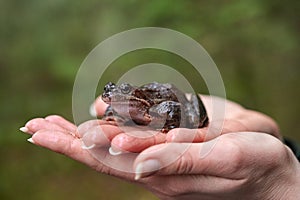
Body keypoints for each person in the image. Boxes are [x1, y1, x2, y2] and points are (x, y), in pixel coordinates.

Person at [20, 95, 300, 199]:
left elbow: (168, 106)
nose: (112, 101)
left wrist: (285, 185)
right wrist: (281, 141)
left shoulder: (150, 107)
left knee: (168, 106)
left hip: (172, 104)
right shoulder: (121, 107)